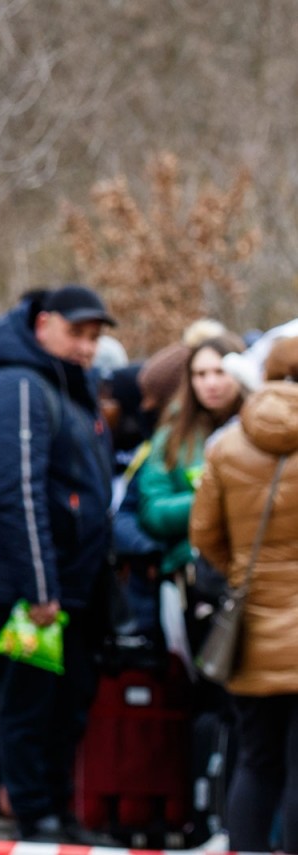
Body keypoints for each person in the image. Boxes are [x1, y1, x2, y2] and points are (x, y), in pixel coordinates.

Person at [0, 284, 115, 844]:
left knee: (57, 707)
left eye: (95, 337)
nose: (88, 348)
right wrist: (42, 588)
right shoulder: (18, 385)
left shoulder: (66, 383)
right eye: (78, 333)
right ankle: (36, 821)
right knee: (29, 710)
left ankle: (44, 814)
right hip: (30, 590)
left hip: (68, 586)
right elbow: (16, 491)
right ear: (44, 323)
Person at [190, 337, 298, 854]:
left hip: (252, 631)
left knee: (257, 761)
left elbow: (203, 533)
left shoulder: (228, 446)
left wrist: (240, 574)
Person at [138, 335, 246, 579]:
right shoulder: (172, 434)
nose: (211, 383)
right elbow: (152, 512)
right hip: (195, 569)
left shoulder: (265, 429)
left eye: (220, 372)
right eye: (200, 374)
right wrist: (211, 496)